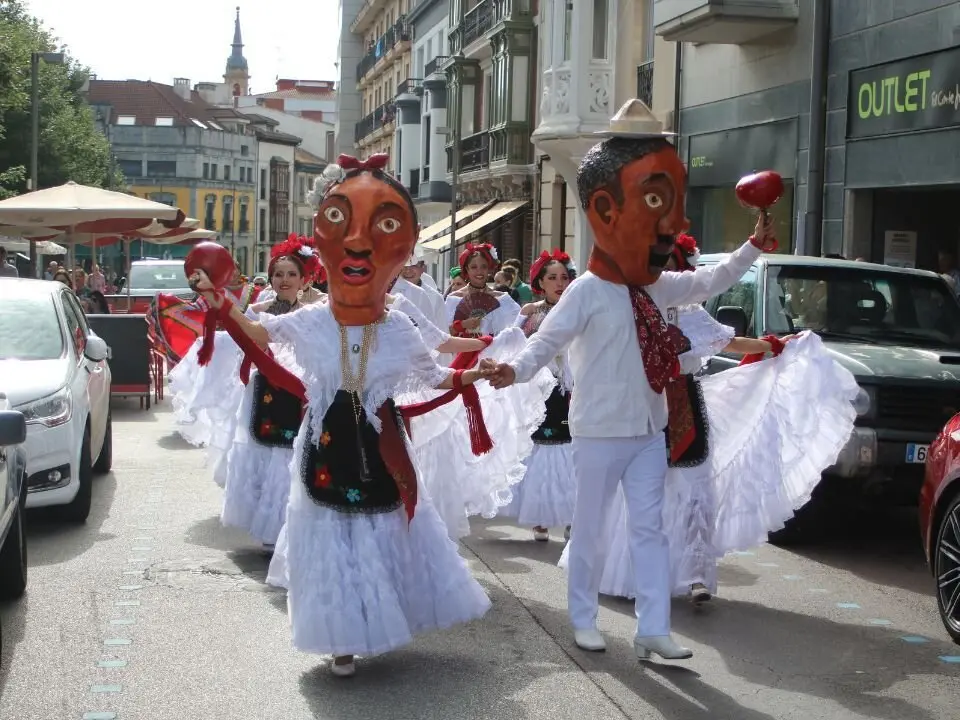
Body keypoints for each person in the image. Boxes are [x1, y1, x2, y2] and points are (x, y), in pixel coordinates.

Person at [484, 103, 778, 661]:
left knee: (650, 529)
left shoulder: (661, 287)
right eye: (656, 202)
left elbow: (711, 280)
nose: (673, 225)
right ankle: (583, 618)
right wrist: (512, 370)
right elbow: (544, 344)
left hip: (648, 430)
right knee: (591, 529)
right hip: (597, 431)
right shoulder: (585, 292)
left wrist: (751, 246)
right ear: (606, 212)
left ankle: (653, 628)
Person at [192, 153, 492, 678]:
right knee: (330, 536)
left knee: (380, 532)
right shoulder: (310, 320)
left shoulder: (398, 327)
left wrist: (476, 374)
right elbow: (260, 335)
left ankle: (375, 620)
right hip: (323, 446)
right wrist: (221, 300)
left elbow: (434, 376)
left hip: (381, 447)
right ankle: (343, 640)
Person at [564, 234, 858, 606]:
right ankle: (630, 574)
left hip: (685, 406)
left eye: (673, 266)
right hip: (642, 405)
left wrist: (775, 346)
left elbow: (727, 341)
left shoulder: (690, 313)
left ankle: (695, 575)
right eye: (660, 264)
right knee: (641, 495)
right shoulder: (629, 305)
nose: (665, 273)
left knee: (695, 492)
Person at [499, 249, 578, 542]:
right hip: (539, 388)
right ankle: (540, 515)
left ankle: (574, 516)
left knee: (573, 448)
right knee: (541, 447)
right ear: (540, 282)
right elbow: (512, 345)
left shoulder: (579, 310)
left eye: (565, 277)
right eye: (553, 277)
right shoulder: (529, 312)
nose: (560, 283)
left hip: (573, 386)